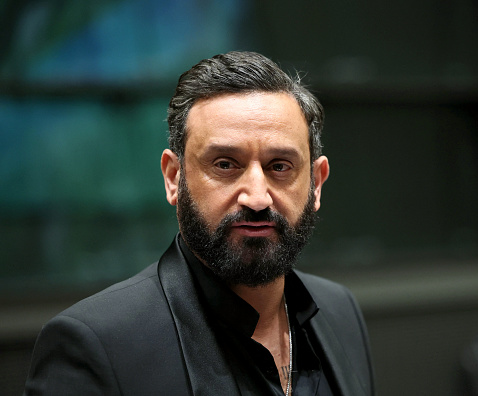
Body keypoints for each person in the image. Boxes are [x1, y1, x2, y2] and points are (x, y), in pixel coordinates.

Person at [24, 51, 375, 396]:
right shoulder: (97, 345)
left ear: (316, 184)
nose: (257, 198)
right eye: (225, 164)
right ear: (174, 178)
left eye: (280, 166)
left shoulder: (340, 312)